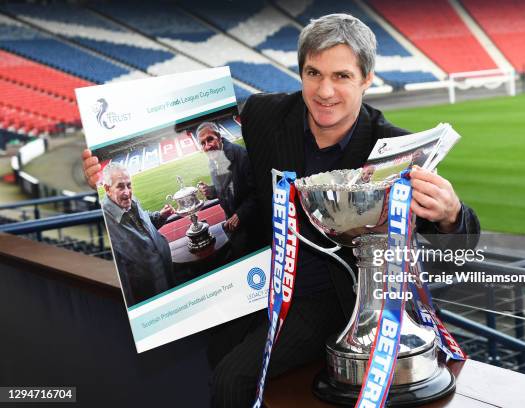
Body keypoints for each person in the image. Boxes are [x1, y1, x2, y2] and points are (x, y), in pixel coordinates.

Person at [82, 14, 480, 406]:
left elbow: (463, 239)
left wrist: (451, 213)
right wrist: (102, 176)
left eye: (341, 76)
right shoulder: (262, 115)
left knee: (233, 379)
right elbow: (189, 138)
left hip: (334, 300)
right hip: (254, 285)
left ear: (366, 79)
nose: (324, 91)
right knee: (217, 351)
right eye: (313, 73)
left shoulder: (395, 148)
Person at [101, 162, 176, 308]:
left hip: (166, 276)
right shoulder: (106, 224)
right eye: (120, 186)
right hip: (150, 295)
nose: (127, 192)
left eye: (129, 185)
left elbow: (144, 223)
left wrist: (160, 216)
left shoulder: (132, 200)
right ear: (107, 189)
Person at [195, 122, 257, 258]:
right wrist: (210, 191)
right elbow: (226, 189)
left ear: (219, 137)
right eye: (203, 143)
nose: (207, 146)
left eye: (210, 139)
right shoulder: (213, 159)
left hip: (252, 225)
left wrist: (240, 214)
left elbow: (257, 191)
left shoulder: (241, 155)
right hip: (233, 225)